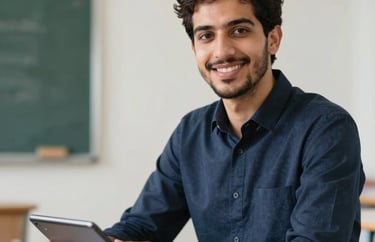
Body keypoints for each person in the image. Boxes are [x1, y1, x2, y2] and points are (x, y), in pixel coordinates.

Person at [104, 0, 365, 241]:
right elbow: (141, 227)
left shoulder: (326, 128)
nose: (222, 51)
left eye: (239, 30)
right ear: (195, 49)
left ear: (272, 39)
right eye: (206, 36)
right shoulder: (190, 133)